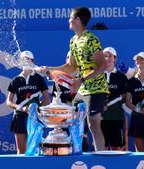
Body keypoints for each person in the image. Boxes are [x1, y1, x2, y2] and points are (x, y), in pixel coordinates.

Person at [39, 7, 108, 151]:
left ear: (77, 20)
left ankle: (101, 155)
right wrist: (50, 69)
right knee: (74, 121)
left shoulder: (91, 39)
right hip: (82, 89)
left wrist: (81, 80)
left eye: (71, 17)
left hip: (96, 88)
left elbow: (102, 66)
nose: (68, 20)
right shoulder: (73, 41)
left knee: (93, 123)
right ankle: (77, 152)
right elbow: (71, 66)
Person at [6, 50, 50, 154]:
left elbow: (47, 99)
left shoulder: (38, 78)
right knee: (21, 151)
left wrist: (35, 109)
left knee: (36, 149)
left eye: (28, 59)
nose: (25, 61)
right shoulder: (16, 80)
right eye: (23, 59)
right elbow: (8, 102)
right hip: (20, 117)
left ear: (32, 61)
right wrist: (21, 108)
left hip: (35, 117)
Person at [102, 47, 128, 150]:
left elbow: (126, 98)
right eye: (105, 56)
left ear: (115, 58)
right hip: (100, 119)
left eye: (110, 56)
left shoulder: (121, 77)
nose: (107, 58)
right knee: (101, 149)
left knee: (116, 149)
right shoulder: (97, 76)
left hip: (116, 117)